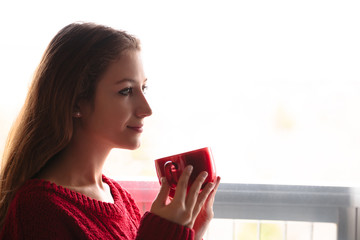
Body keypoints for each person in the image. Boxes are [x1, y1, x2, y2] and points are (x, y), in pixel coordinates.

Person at [0, 22, 220, 239]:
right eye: (125, 91)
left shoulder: (118, 197)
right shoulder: (37, 208)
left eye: (143, 88)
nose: (146, 109)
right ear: (76, 103)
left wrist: (190, 232)